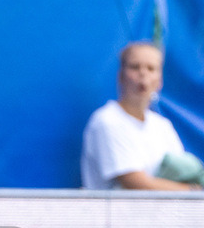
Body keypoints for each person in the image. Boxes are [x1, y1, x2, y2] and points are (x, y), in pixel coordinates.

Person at [81, 41, 201, 191]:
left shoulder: (162, 126)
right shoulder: (107, 121)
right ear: (121, 76)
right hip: (116, 214)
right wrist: (194, 191)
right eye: (135, 67)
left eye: (151, 68)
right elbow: (135, 183)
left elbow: (181, 173)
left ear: (159, 81)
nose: (143, 74)